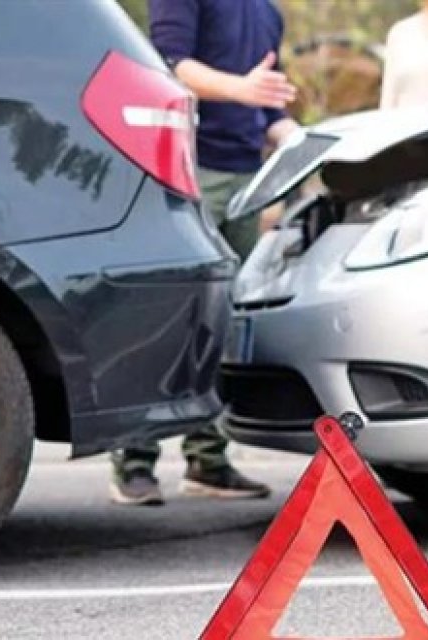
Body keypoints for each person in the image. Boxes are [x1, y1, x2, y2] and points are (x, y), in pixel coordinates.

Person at [110, 0, 301, 506]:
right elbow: (170, 67)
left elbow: (266, 105)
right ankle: (133, 460)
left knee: (224, 320)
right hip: (185, 169)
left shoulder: (267, 12)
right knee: (165, 316)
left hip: (245, 179)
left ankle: (208, 460)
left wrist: (292, 135)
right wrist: (240, 88)